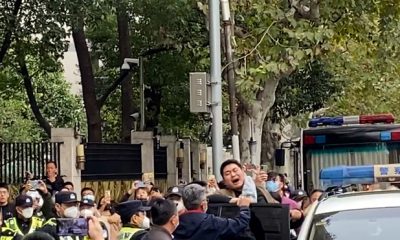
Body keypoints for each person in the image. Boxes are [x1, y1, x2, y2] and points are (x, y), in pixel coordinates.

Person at [173, 183, 252, 240]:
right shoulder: (213, 222)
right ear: (203, 205)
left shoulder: (174, 223)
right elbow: (240, 224)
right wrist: (244, 207)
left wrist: (229, 199)